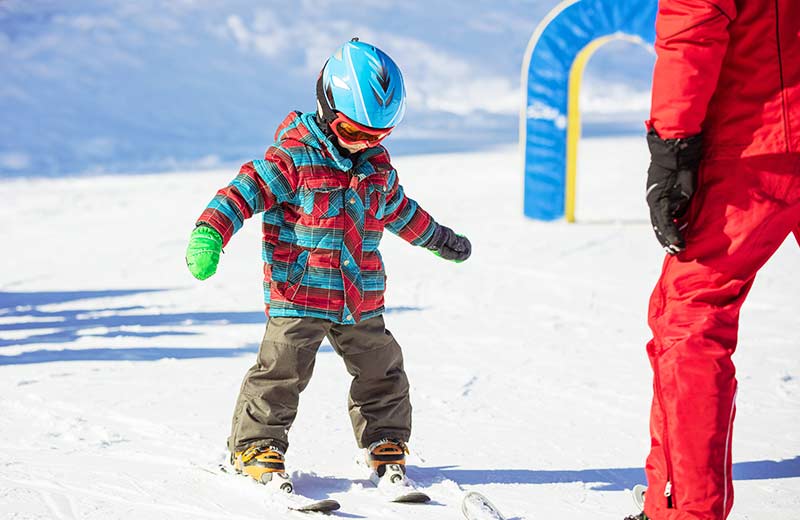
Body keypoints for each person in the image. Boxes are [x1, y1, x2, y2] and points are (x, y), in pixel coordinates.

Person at [184, 39, 471, 488]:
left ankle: (385, 441)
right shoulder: (293, 159)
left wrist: (438, 238)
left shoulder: (376, 169)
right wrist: (209, 232)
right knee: (281, 371)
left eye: (379, 136)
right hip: (299, 293)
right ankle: (255, 446)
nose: (367, 144)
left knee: (383, 368)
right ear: (326, 106)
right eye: (356, 132)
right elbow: (240, 192)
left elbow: (400, 211)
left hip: (360, 297)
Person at [627, 1, 799, 519]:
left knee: (691, 321)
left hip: (757, 144)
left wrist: (673, 151)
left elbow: (693, 24)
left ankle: (687, 512)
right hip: (763, 136)